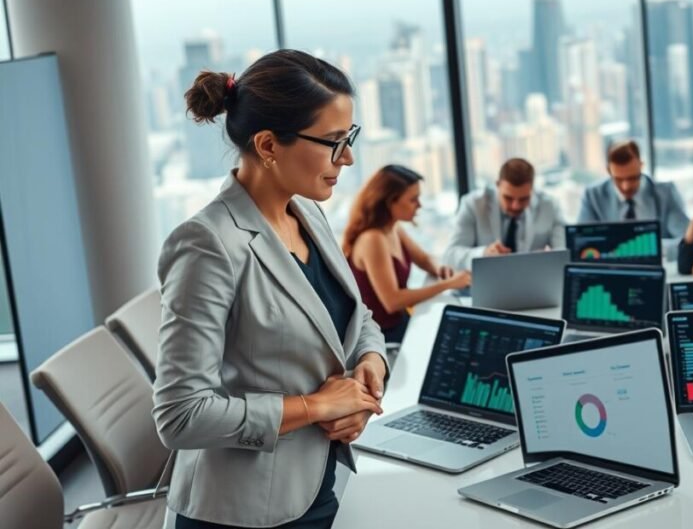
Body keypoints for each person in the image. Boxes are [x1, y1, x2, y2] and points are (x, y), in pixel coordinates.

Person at [154, 50, 389, 529]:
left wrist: (369, 369)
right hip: (245, 512)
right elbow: (180, 416)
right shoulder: (207, 245)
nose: (347, 157)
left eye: (349, 138)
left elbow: (355, 318)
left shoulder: (308, 216)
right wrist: (319, 406)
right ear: (267, 145)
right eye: (333, 142)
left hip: (318, 481)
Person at [344, 164, 471, 344]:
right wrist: (448, 284)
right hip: (381, 337)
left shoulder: (392, 228)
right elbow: (392, 301)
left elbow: (424, 258)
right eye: (413, 199)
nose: (419, 205)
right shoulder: (373, 239)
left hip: (398, 323)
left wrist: (439, 269)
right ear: (391, 202)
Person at [443, 158, 565, 271]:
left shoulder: (550, 206)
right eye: (508, 198)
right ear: (497, 185)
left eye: (523, 199)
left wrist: (549, 258)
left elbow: (565, 253)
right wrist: (483, 253)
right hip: (488, 284)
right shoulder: (473, 205)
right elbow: (450, 256)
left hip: (535, 283)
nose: (515, 206)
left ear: (532, 189)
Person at [578, 139, 688, 239]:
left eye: (632, 178)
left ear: (641, 166)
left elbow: (685, 241)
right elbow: (583, 242)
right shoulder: (592, 197)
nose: (626, 186)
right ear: (608, 170)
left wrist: (651, 249)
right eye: (618, 179)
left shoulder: (666, 194)